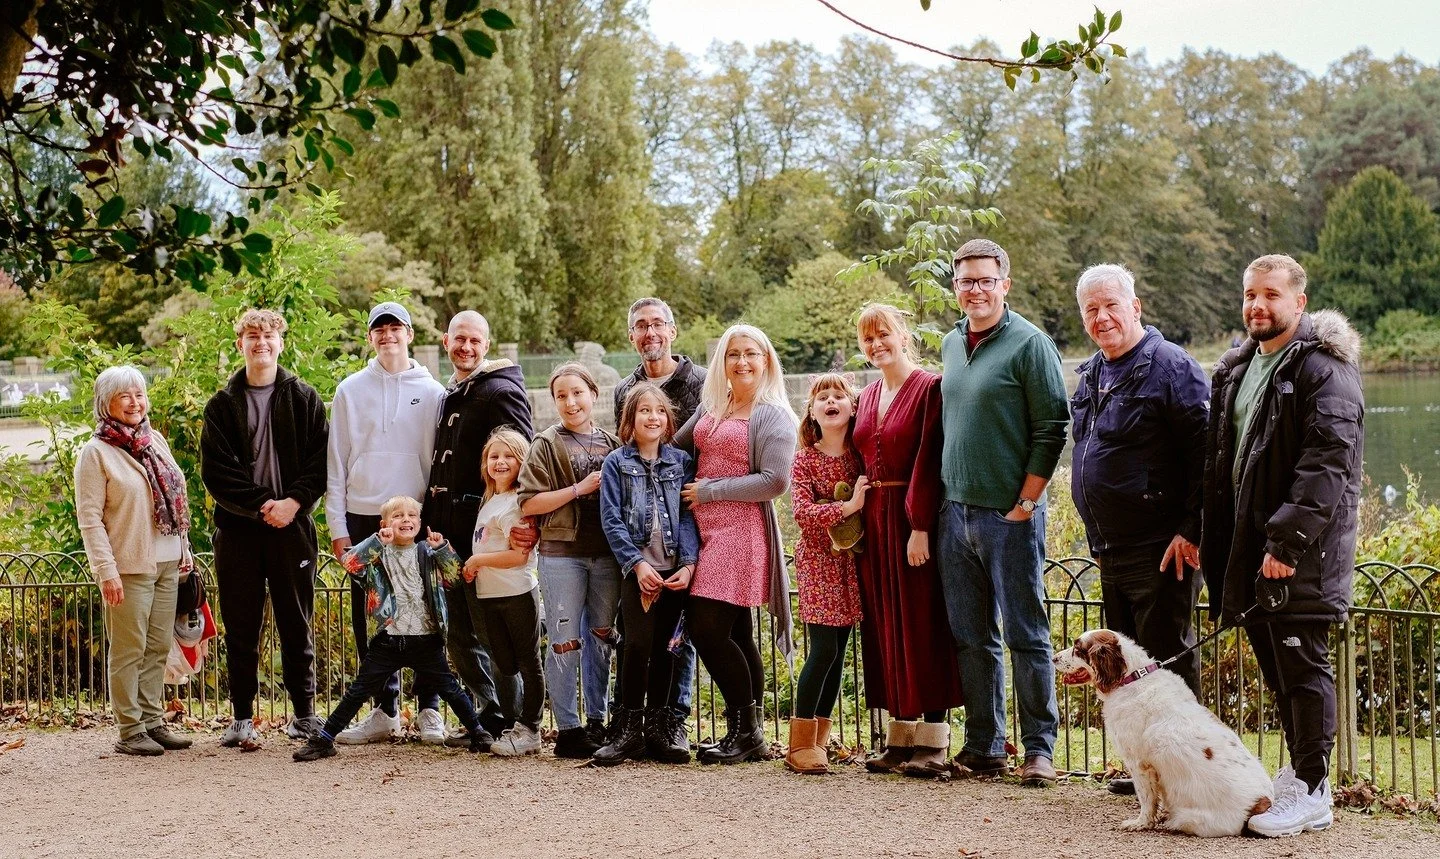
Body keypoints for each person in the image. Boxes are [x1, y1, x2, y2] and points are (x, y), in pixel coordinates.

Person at [1200, 254, 1363, 837]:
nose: (1256, 306)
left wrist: (1287, 543)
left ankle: (1315, 791)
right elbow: (1224, 467)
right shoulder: (1238, 369)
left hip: (1301, 556)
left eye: (1270, 295)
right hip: (1251, 556)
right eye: (1249, 294)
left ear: (1299, 302)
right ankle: (1300, 772)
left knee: (1303, 668)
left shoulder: (1324, 371)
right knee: (1277, 667)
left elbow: (1326, 467)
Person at [938, 239, 1069, 787]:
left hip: (1008, 517)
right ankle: (985, 745)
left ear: (1004, 284)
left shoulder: (1030, 344)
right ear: (956, 286)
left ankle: (1039, 748)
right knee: (971, 636)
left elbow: (1052, 427)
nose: (975, 289)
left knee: (1026, 634)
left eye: (985, 280)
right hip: (955, 512)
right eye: (965, 280)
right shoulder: (949, 343)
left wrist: (1027, 502)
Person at [1070, 266, 1209, 692]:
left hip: (1163, 550)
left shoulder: (1171, 367)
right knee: (1128, 673)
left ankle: (1188, 758)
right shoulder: (1092, 373)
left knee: (1167, 670)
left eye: (1111, 305)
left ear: (1135, 307)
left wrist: (1192, 529)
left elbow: (1209, 454)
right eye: (1091, 309)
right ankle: (1146, 761)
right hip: (1112, 550)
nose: (1102, 317)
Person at [201, 309, 329, 746]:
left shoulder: (305, 398)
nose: (261, 342)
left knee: (297, 621)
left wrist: (293, 503)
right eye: (252, 335)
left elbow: (320, 463)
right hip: (239, 531)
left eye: (268, 335)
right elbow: (217, 475)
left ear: (281, 342)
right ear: (240, 344)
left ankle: (305, 715)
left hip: (293, 526)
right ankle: (241, 717)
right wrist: (261, 507)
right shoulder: (221, 405)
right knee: (241, 624)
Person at [675, 324, 798, 765]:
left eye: (751, 353)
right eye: (733, 354)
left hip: (740, 532)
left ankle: (744, 731)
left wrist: (711, 490)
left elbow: (775, 481)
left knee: (706, 629)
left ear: (766, 360)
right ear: (722, 362)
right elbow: (675, 446)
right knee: (737, 633)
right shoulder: (716, 405)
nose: (741, 362)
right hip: (703, 532)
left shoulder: (773, 415)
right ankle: (748, 736)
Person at [851, 304, 964, 778]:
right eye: (868, 339)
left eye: (884, 335)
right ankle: (900, 736)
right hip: (874, 521)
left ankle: (934, 741)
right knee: (885, 626)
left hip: (910, 518)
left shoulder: (929, 387)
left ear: (904, 336)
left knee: (922, 622)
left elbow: (928, 458)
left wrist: (919, 525)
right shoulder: (870, 392)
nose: (877, 345)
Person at [325, 301, 446, 744]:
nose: (388, 335)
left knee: (426, 610)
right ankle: (384, 709)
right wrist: (338, 527)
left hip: (415, 515)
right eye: (380, 329)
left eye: (396, 328)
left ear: (410, 335)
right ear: (370, 337)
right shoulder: (349, 390)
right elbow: (335, 463)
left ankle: (431, 707)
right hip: (364, 516)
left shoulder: (433, 391)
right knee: (374, 616)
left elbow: (436, 462)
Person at [293, 496, 485, 761]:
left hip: (424, 637)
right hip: (388, 638)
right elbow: (350, 564)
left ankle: (478, 733)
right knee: (359, 690)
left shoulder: (427, 553)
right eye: (397, 516)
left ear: (419, 522)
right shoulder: (377, 554)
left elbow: (455, 578)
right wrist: (376, 542)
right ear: (385, 524)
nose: (405, 520)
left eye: (411, 515)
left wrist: (442, 549)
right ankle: (325, 739)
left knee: (449, 687)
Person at [424, 310, 535, 746]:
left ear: (487, 345)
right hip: (443, 534)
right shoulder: (452, 392)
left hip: (484, 536)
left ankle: (514, 722)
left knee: (491, 633)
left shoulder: (500, 391)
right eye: (459, 340)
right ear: (446, 341)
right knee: (455, 632)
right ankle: (488, 714)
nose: (466, 347)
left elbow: (521, 456)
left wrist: (523, 521)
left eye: (475, 340)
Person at [74, 365, 195, 756]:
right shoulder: (96, 453)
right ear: (105, 403)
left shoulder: (153, 439)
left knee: (158, 645)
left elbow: (177, 499)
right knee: (129, 648)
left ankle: (153, 720)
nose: (134, 402)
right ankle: (130, 729)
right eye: (124, 395)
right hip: (128, 565)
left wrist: (184, 550)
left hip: (167, 560)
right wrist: (105, 571)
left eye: (139, 394)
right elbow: (90, 518)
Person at [612, 297, 706, 743]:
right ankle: (631, 723)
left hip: (685, 520)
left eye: (657, 325)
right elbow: (622, 460)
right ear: (631, 336)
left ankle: (671, 721)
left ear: (672, 330)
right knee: (634, 639)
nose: (650, 333)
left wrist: (689, 555)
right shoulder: (623, 389)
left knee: (676, 639)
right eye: (641, 327)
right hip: (637, 546)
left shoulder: (702, 384)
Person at [518, 362, 622, 759]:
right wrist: (578, 489)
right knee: (564, 639)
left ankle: (597, 720)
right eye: (561, 395)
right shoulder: (546, 443)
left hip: (606, 555)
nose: (570, 402)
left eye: (577, 393)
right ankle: (569, 728)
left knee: (601, 638)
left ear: (593, 394)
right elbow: (530, 500)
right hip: (563, 554)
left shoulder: (612, 444)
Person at [594, 383, 699, 765]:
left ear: (668, 419)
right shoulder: (616, 463)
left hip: (673, 571)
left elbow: (688, 515)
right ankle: (627, 730)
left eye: (658, 411)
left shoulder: (681, 462)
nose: (652, 417)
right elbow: (612, 519)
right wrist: (636, 565)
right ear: (630, 420)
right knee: (636, 646)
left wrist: (688, 564)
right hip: (636, 571)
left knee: (668, 649)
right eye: (643, 411)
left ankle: (660, 728)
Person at [785, 373, 866, 775]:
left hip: (850, 564)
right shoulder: (805, 458)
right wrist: (847, 507)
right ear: (812, 411)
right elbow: (801, 513)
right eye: (823, 397)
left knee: (839, 653)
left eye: (839, 396)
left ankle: (818, 739)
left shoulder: (859, 457)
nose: (831, 401)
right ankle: (799, 744)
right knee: (824, 650)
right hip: (818, 561)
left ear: (852, 408)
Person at [462, 429, 545, 757]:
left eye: (509, 456)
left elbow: (519, 555)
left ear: (521, 462)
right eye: (494, 456)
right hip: (490, 595)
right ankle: (515, 720)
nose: (500, 462)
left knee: (527, 660)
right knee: (505, 661)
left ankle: (531, 726)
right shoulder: (490, 501)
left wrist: (478, 560)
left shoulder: (514, 504)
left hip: (516, 593)